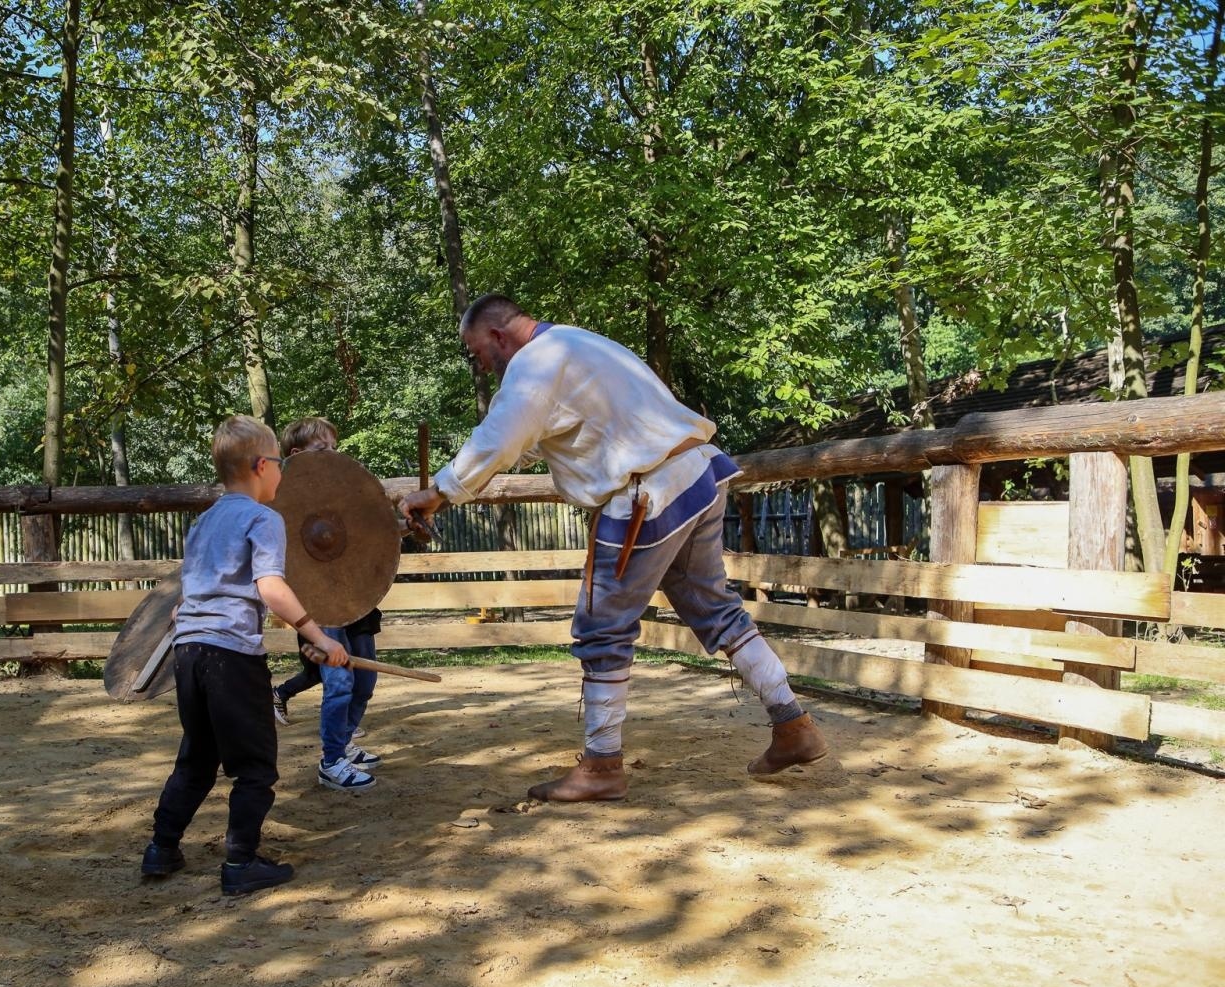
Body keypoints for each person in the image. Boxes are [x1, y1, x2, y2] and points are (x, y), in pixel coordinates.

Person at [400, 294, 829, 802]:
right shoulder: (579, 344)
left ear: (497, 335)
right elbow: (540, 435)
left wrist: (440, 491)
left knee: (602, 625)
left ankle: (602, 765)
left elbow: (500, 437)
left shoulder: (535, 364)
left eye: (476, 352)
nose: (479, 363)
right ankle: (793, 725)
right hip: (699, 474)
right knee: (716, 609)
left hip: (647, 495)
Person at [141, 415, 350, 896]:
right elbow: (271, 589)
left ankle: (161, 847)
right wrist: (319, 636)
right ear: (261, 465)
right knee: (256, 765)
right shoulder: (263, 518)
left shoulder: (205, 520)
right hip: (231, 657)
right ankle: (240, 863)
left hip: (189, 652)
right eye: (279, 463)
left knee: (197, 756)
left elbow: (192, 597)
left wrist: (305, 642)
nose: (282, 473)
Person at [269, 417, 385, 794]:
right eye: (323, 450)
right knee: (339, 683)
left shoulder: (342, 495)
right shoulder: (281, 502)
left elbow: (369, 533)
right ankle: (332, 760)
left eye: (335, 448)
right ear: (297, 456)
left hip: (356, 597)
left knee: (365, 681)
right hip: (320, 604)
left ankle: (344, 741)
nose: (333, 456)